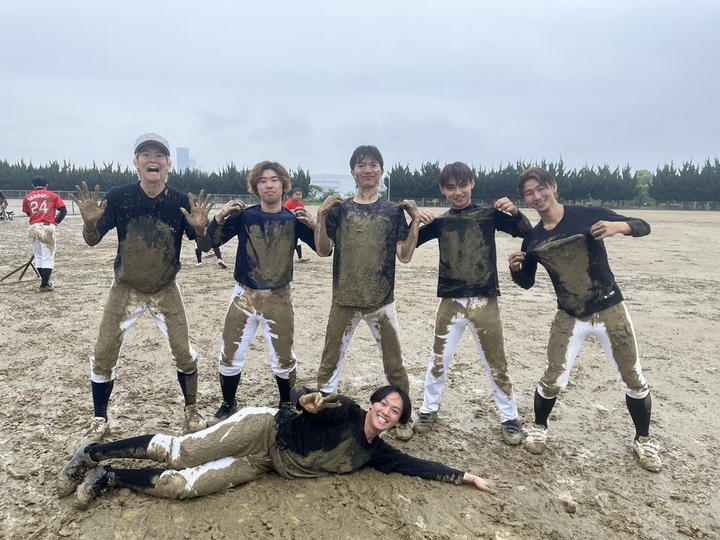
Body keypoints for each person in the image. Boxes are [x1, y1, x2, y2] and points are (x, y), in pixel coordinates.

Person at [57, 385, 496, 507]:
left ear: (397, 422)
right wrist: (306, 400)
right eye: (384, 403)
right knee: (181, 452)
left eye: (395, 411)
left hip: (264, 464)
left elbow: (416, 465)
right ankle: (93, 453)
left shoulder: (376, 453)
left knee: (182, 487)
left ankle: (110, 476)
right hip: (263, 429)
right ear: (373, 402)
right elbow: (310, 398)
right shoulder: (345, 410)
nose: (385, 411)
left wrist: (464, 476)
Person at [508, 166, 661, 472]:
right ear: (525, 199)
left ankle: (643, 439)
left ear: (553, 186)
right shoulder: (533, 238)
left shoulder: (586, 215)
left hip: (610, 309)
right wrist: (515, 270)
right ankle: (539, 427)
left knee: (633, 377)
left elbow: (643, 225)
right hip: (569, 314)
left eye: (541, 188)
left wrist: (620, 227)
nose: (537, 196)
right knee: (552, 377)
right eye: (529, 193)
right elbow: (527, 282)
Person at [70, 133, 214, 440]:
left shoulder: (179, 201)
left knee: (183, 352)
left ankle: (191, 410)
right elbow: (92, 240)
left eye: (159, 155)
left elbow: (203, 245)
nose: (153, 159)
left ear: (168, 165)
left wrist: (202, 231)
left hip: (165, 287)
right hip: (126, 287)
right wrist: (90, 224)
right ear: (136, 163)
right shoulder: (120, 196)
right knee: (103, 352)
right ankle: (99, 417)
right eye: (146, 154)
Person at [314, 145, 433, 441]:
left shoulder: (393, 211)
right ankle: (320, 414)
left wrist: (415, 221)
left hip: (381, 302)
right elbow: (323, 250)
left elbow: (405, 256)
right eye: (361, 165)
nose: (367, 170)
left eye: (373, 165)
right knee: (330, 361)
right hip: (344, 300)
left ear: (381, 171)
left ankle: (402, 418)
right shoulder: (340, 210)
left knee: (394, 364)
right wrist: (321, 215)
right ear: (352, 172)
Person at [413, 162, 530, 444]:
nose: (458, 192)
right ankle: (428, 410)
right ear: (442, 190)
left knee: (496, 362)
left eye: (462, 185)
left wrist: (515, 211)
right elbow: (408, 244)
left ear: (472, 184)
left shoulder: (488, 215)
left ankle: (510, 417)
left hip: (485, 300)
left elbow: (524, 230)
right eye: (451, 187)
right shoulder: (440, 222)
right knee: (438, 359)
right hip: (450, 301)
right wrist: (415, 220)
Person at [204, 161, 316, 424]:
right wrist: (219, 218)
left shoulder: (293, 220)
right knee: (230, 353)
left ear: (284, 185)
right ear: (256, 187)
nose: (269, 185)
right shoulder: (245, 216)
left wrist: (316, 225)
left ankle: (286, 404)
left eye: (274, 179)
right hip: (244, 294)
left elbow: (325, 249)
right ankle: (228, 404)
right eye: (263, 180)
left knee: (284, 356)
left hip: (279, 295)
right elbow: (210, 242)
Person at [22, 176, 67, 291]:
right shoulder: (53, 195)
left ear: (33, 185)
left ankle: (45, 282)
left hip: (33, 227)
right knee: (48, 257)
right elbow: (63, 211)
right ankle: (44, 285)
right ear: (46, 185)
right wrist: (55, 223)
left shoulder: (27, 197)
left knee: (38, 257)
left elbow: (28, 213)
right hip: (47, 226)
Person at [284, 187, 310, 262]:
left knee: (297, 241)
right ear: (293, 195)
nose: (298, 196)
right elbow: (284, 214)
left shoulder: (301, 204)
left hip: (296, 224)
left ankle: (299, 257)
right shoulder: (289, 203)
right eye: (297, 194)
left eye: (300, 194)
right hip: (288, 225)